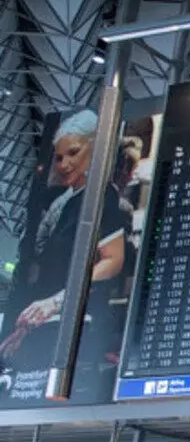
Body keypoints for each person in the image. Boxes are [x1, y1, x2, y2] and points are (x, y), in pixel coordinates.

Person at [0, 111, 130, 386]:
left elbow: (113, 261)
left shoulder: (102, 196)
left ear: (96, 148)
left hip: (76, 330)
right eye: (58, 157)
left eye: (73, 152)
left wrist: (57, 301)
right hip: (43, 329)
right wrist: (25, 325)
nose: (64, 164)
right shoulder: (63, 200)